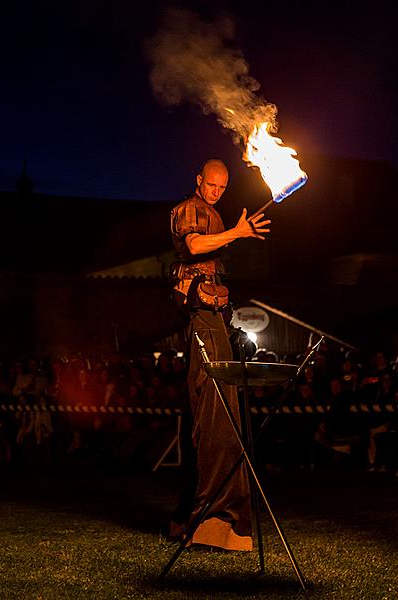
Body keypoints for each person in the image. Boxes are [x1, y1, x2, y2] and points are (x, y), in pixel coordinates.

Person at [169, 158, 271, 551]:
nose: (215, 192)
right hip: (200, 318)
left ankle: (184, 518)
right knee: (216, 412)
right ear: (199, 180)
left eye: (221, 188)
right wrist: (236, 232)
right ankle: (213, 518)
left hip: (215, 316)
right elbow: (194, 245)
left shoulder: (211, 211)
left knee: (215, 412)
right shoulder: (191, 209)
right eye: (210, 185)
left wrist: (235, 232)